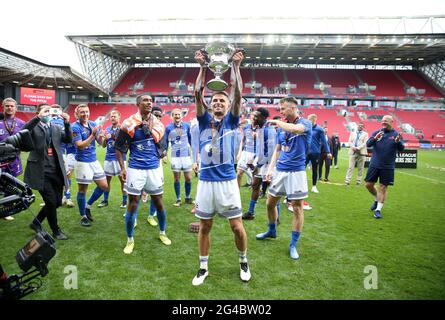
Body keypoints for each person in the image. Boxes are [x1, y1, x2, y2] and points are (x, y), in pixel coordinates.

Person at [192, 49, 251, 285]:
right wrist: (202, 67)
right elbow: (197, 93)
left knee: (237, 227)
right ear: (210, 105)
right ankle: (203, 268)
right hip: (206, 182)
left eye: (222, 100)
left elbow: (238, 94)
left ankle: (243, 261)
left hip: (227, 182)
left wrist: (235, 67)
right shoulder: (203, 119)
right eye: (214, 100)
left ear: (227, 106)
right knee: (205, 226)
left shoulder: (232, 120)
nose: (217, 102)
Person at [256, 97, 312, 260]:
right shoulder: (282, 127)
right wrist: (271, 169)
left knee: (297, 208)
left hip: (296, 172)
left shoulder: (305, 123)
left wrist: (278, 123)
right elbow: (278, 149)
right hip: (280, 170)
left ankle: (293, 244)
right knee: (270, 203)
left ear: (294, 107)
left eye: (283, 108)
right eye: (279, 109)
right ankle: (272, 230)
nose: (280, 111)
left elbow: (296, 129)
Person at [115, 94, 170, 255]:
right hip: (135, 169)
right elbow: (119, 147)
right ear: (138, 104)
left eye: (150, 101)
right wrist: (122, 168)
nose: (149, 102)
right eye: (145, 100)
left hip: (153, 168)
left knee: (159, 202)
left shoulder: (158, 124)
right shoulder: (128, 124)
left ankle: (162, 233)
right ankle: (130, 240)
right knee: (132, 204)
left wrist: (159, 153)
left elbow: (163, 147)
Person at [25, 104, 72, 240]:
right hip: (40, 171)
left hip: (56, 170)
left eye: (49, 111)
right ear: (38, 113)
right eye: (44, 110)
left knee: (57, 202)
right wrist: (37, 118)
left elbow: (68, 140)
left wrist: (67, 123)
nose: (47, 113)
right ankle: (56, 231)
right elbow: (24, 131)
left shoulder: (56, 127)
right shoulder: (33, 127)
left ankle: (36, 223)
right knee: (51, 202)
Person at [71, 104, 108, 227]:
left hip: (94, 160)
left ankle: (87, 206)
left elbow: (101, 144)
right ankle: (83, 216)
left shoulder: (92, 124)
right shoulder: (74, 127)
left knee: (104, 186)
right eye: (82, 112)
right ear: (77, 114)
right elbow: (80, 146)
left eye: (87, 112)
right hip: (82, 162)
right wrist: (92, 135)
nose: (85, 114)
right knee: (82, 190)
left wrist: (105, 138)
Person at [365, 115, 404, 219]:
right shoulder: (377, 132)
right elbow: (368, 144)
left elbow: (401, 149)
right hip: (374, 164)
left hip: (387, 166)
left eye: (386, 121)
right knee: (368, 185)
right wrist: (375, 138)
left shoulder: (396, 134)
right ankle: (376, 199)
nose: (383, 122)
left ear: (392, 122)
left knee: (383, 187)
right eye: (382, 121)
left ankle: (378, 210)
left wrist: (398, 142)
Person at [242, 107, 276, 220]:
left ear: (263, 117)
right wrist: (254, 159)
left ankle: (277, 217)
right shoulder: (259, 129)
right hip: (260, 162)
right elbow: (260, 148)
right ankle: (251, 212)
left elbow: (270, 152)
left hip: (269, 164)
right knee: (255, 185)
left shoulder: (269, 130)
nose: (254, 118)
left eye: (257, 116)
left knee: (273, 192)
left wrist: (258, 165)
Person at [96, 110, 128, 209]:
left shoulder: (123, 128)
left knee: (123, 180)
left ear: (119, 117)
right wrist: (104, 138)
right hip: (108, 158)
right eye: (111, 116)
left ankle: (124, 201)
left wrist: (113, 137)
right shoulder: (108, 129)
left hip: (120, 159)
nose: (112, 118)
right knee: (106, 181)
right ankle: (105, 200)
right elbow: (104, 145)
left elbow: (125, 144)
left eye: (115, 116)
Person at [0, 98, 26, 221]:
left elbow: (26, 143)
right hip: (0, 160)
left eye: (12, 106)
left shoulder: (21, 123)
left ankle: (6, 210)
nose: (9, 108)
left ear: (16, 108)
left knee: (11, 185)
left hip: (14, 160)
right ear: (3, 107)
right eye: (7, 106)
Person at [164, 108, 194, 207]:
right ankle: (178, 199)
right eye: (175, 114)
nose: (177, 116)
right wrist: (164, 154)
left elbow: (190, 139)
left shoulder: (186, 126)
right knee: (177, 179)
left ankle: (188, 197)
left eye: (178, 114)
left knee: (188, 178)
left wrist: (194, 151)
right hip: (175, 156)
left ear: (182, 115)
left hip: (186, 155)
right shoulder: (168, 127)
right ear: (172, 116)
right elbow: (165, 141)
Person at [49, 104, 75, 208]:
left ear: (61, 110)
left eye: (57, 109)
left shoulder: (64, 121)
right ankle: (52, 198)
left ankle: (67, 197)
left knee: (66, 175)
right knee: (50, 176)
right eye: (53, 109)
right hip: (48, 153)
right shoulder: (46, 119)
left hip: (61, 153)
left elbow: (69, 138)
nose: (55, 111)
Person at [306, 114, 331, 193]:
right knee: (301, 169)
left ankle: (314, 186)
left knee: (314, 169)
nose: (308, 121)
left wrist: (328, 152)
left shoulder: (319, 129)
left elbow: (324, 141)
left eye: (310, 120)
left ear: (314, 120)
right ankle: (301, 185)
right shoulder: (306, 128)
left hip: (315, 153)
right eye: (308, 119)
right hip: (305, 152)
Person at [236, 114, 255, 187]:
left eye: (255, 117)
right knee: (239, 173)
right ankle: (236, 193)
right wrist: (240, 152)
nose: (254, 119)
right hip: (245, 152)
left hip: (254, 153)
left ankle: (258, 189)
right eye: (252, 117)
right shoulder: (246, 127)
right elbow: (243, 140)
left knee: (254, 175)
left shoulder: (261, 128)